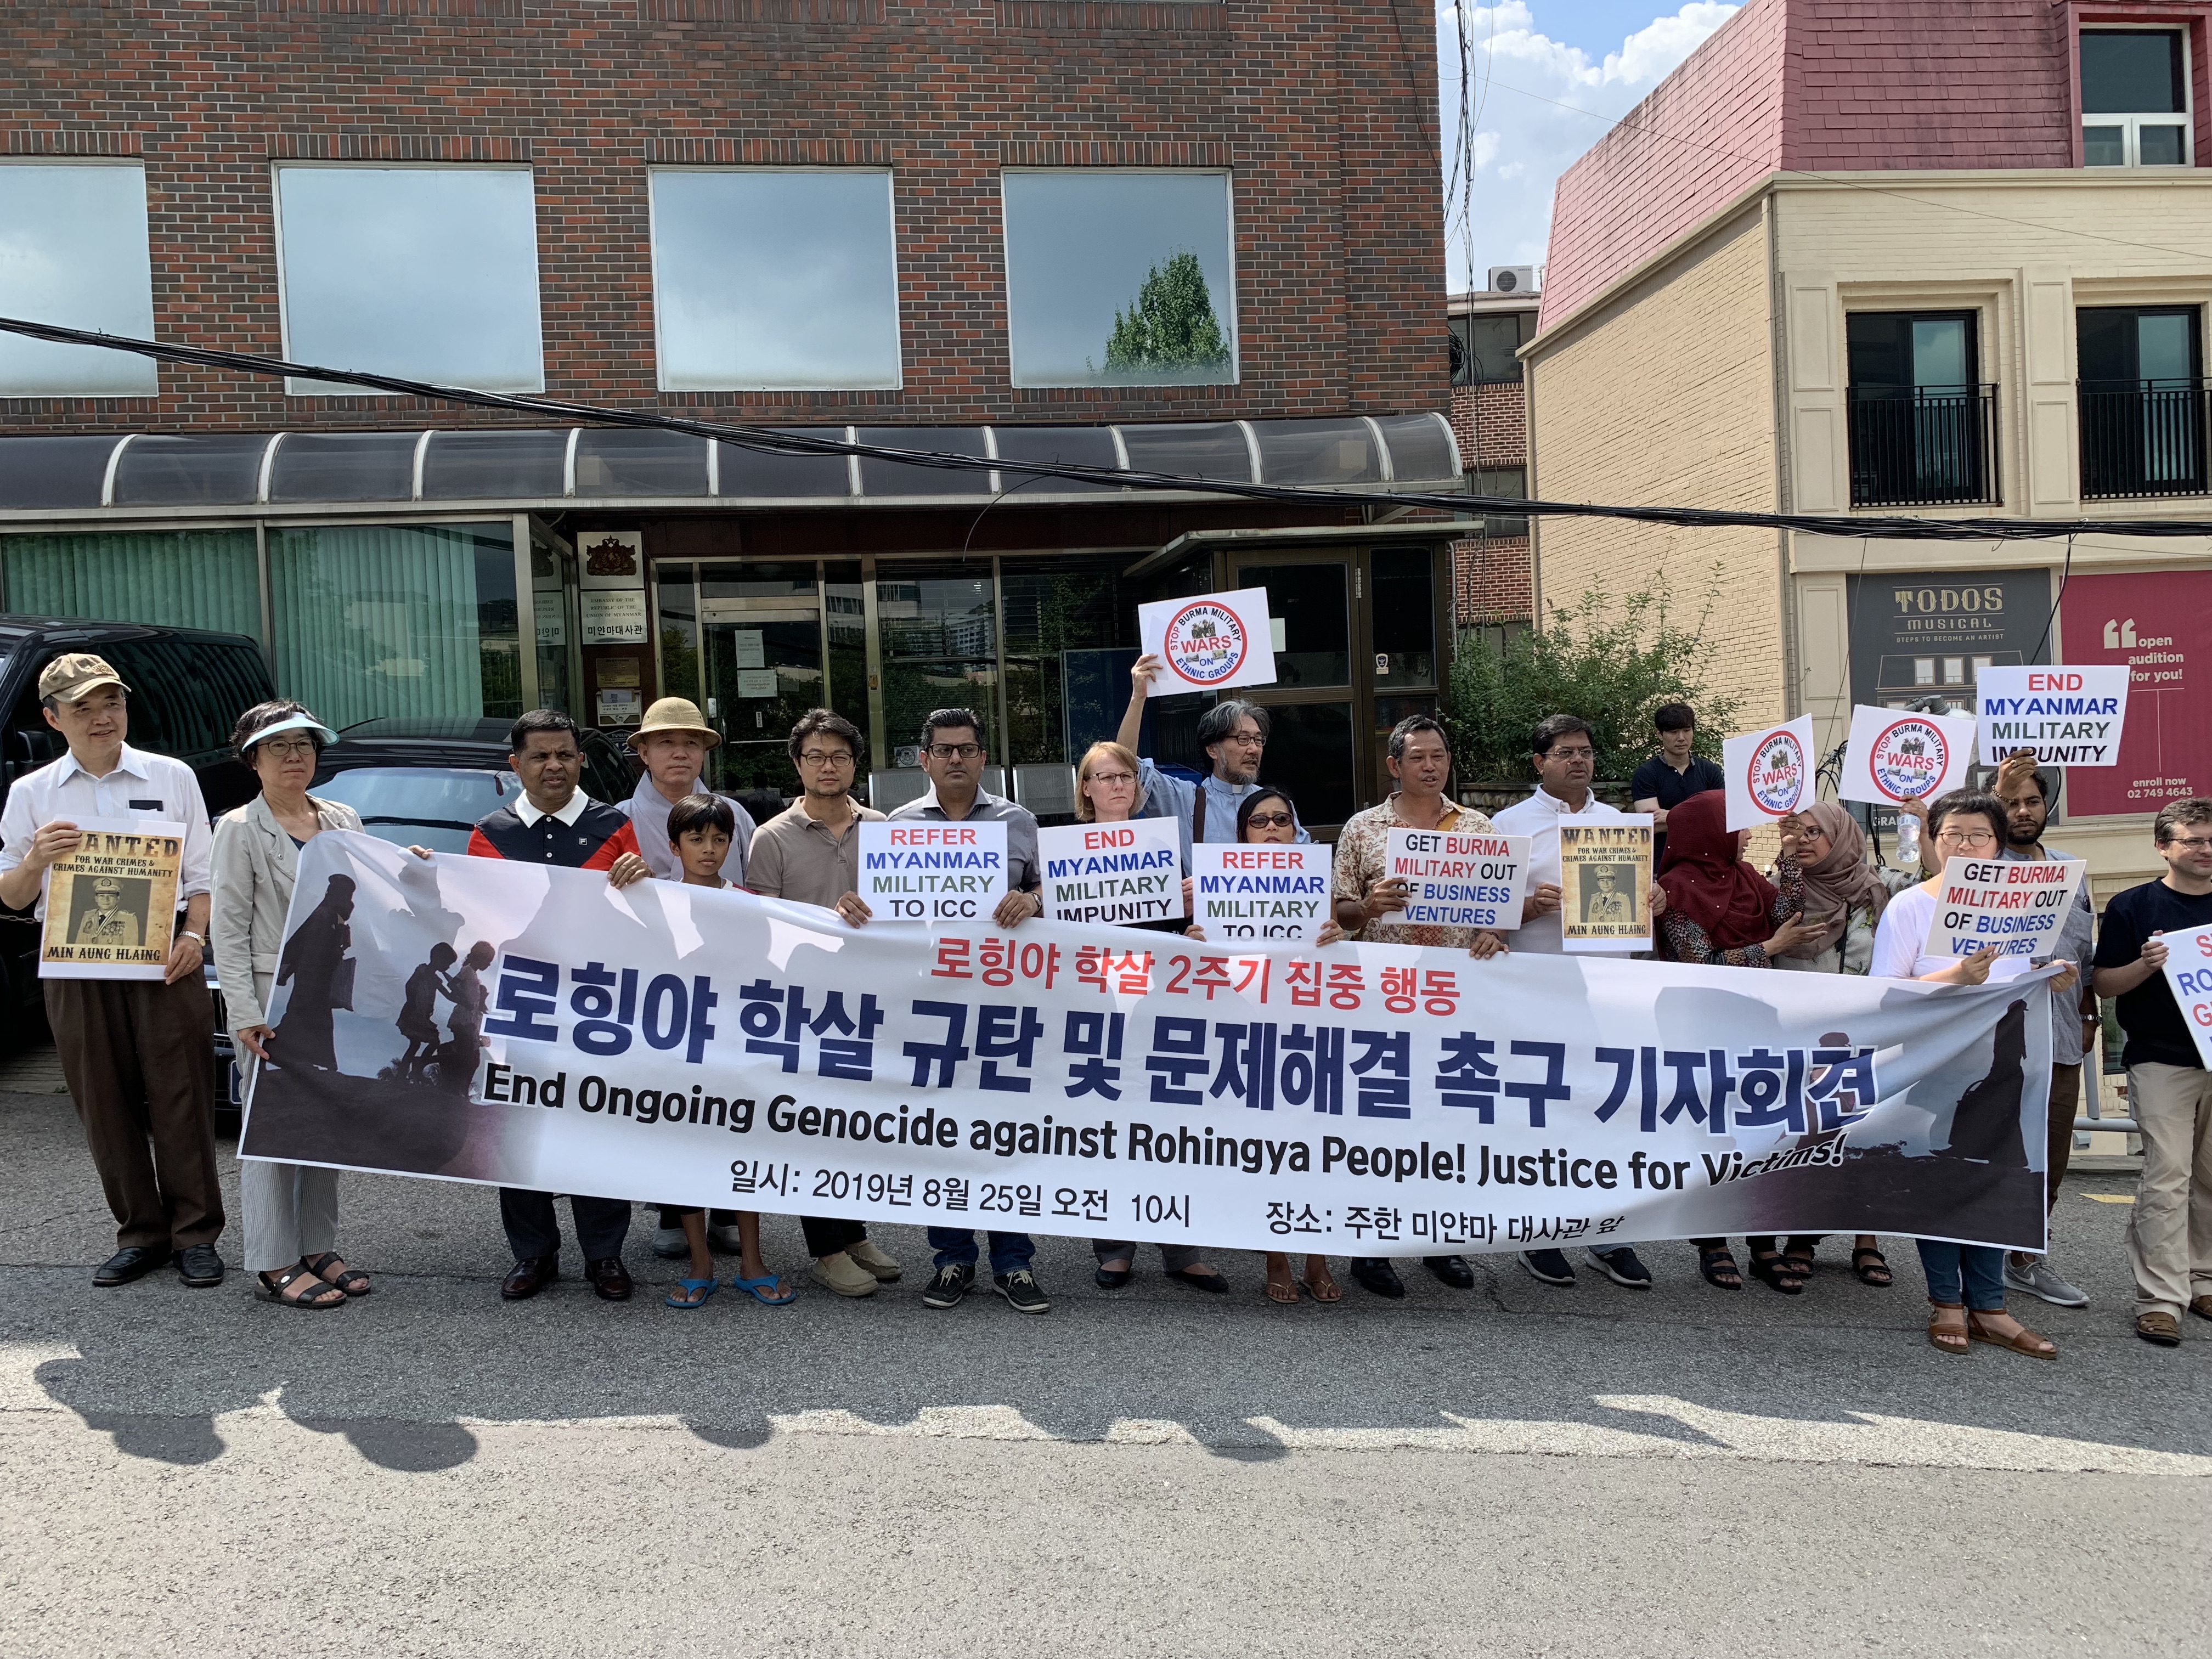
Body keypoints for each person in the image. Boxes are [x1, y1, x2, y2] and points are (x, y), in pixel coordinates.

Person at [0, 653, 223, 1290]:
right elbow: (13, 897)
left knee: (181, 1094)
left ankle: (196, 1235)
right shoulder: (32, 793)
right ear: (53, 718)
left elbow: (202, 877)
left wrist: (194, 936)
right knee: (103, 1099)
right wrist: (36, 860)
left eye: (113, 704)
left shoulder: (171, 775)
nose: (103, 719)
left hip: (165, 959)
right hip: (74, 965)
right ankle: (141, 1234)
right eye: (84, 709)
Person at [1329, 715, 1561, 1297]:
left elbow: (1499, 912)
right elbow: (1335, 914)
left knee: (1447, 1122)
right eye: (1418, 758)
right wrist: (1367, 905)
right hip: (1385, 1001)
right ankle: (1373, 1246)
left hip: (1460, 1002)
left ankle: (1440, 1238)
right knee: (1381, 1125)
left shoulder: (1479, 828)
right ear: (1394, 766)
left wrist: (1499, 934)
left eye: (1439, 757)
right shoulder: (1363, 829)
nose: (1431, 767)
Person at [438, 709, 653, 1303]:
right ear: (516, 765)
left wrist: (642, 880)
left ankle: (604, 1256)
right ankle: (534, 1254)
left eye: (565, 754)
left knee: (594, 1125)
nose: (554, 765)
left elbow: (640, 920)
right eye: (540, 756)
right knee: (519, 1125)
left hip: (595, 1009)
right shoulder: (491, 833)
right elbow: (481, 921)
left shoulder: (613, 825)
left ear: (581, 760)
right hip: (521, 1008)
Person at [1870, 789, 2076, 1361]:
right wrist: (1957, 977)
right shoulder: (1909, 907)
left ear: (1999, 843)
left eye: (1978, 835)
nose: (1965, 845)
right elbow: (1882, 999)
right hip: (1935, 1068)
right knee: (1941, 1179)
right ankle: (1946, 1303)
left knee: (1999, 1176)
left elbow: (2023, 978)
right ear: (1934, 842)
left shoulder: (2024, 905)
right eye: (1952, 834)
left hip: (2008, 1067)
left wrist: (2050, 974)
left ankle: (1991, 1307)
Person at [870, 709, 1051, 1314]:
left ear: (982, 759)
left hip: (1005, 1003)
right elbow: (884, 920)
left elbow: (1057, 895)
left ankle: (1014, 1263)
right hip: (932, 1005)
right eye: (943, 750)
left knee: (1005, 1135)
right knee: (942, 1136)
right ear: (923, 759)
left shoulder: (1018, 821)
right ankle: (952, 1259)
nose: (955, 760)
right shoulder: (898, 827)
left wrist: (1030, 899)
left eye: (967, 750)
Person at [1491, 714, 1667, 1289]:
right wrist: (1527, 907)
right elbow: (1482, 919)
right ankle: (1539, 1235)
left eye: (1586, 752)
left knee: (1606, 1112)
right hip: (1536, 996)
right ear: (1538, 762)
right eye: (1565, 752)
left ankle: (1608, 1237)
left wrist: (1654, 898)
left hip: (1607, 994)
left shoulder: (1618, 825)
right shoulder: (1507, 827)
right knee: (1543, 1117)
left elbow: (1640, 906)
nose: (1579, 761)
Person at [211, 700, 368, 1309]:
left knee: (323, 1123)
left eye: (303, 745)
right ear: (253, 759)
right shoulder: (239, 828)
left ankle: (316, 1245)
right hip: (271, 1001)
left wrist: (416, 868)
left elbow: (375, 893)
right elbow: (227, 928)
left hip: (327, 998)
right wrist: (244, 1012)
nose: (294, 756)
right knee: (272, 1130)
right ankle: (273, 1259)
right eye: (278, 747)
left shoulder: (342, 818)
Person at [743, 709, 903, 1300]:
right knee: (816, 1124)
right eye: (816, 756)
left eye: (839, 756)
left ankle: (854, 1233)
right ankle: (827, 1250)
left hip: (875, 999)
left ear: (855, 764)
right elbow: (762, 929)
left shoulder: (885, 829)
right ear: (798, 764)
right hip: (804, 1003)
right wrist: (823, 922)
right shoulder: (771, 837)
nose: (828, 766)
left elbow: (913, 915)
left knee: (856, 1126)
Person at [1070, 737, 1235, 1299]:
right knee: (1106, 1129)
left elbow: (1204, 917)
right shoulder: (1066, 854)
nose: (1118, 785)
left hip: (1163, 1000)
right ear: (1086, 790)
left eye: (1125, 777)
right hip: (1097, 1004)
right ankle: (1114, 1249)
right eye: (1105, 777)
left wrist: (1195, 911)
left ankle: (1182, 1251)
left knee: (1171, 1126)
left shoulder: (1166, 843)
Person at [1656, 791, 1834, 1294]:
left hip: (1759, 1024)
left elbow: (1788, 915)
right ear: (1709, 833)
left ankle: (1763, 1246)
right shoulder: (1674, 888)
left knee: (1762, 1133)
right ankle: (1712, 1243)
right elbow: (1698, 962)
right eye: (1738, 826)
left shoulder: (1745, 879)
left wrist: (1790, 855)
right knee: (1712, 1136)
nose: (1749, 834)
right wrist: (1768, 951)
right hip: (1702, 1028)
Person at [622, 697, 759, 1264]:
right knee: (668, 1103)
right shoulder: (619, 819)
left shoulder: (738, 816)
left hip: (730, 981)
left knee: (731, 1098)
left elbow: (756, 894)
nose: (680, 752)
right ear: (645, 753)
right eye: (665, 743)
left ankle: (728, 1212)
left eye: (692, 743)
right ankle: (671, 1213)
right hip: (658, 988)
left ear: (704, 750)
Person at [1765, 799, 1921, 1290]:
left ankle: (1866, 1240)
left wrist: (1917, 823)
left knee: (1866, 1137)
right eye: (1800, 831)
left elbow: (1935, 889)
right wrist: (1786, 855)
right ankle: (1800, 1238)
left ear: (1841, 835)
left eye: (1817, 832)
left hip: (1866, 1038)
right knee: (1803, 1139)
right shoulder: (1780, 885)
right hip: (1800, 1038)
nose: (1807, 840)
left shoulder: (1879, 887)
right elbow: (1764, 929)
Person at [658, 793, 794, 1309]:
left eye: (719, 839)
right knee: (686, 1160)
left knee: (743, 1155)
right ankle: (700, 1264)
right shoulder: (652, 900)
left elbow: (766, 973)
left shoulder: (748, 902)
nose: (708, 849)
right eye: (696, 839)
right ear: (675, 846)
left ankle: (753, 1263)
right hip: (675, 1053)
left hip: (735, 1051)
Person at [2090, 797, 2212, 1348]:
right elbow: (2104, 985)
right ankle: (2161, 1300)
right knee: (2168, 1174)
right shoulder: (2132, 906)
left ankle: (2203, 1281)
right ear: (2163, 847)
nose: (2206, 850)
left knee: (2210, 1177)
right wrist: (2146, 964)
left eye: (2211, 840)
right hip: (2163, 1058)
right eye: (2193, 840)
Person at [1990, 752, 2099, 1310]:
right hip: (1997, 1045)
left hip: (2059, 1043)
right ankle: (1978, 1268)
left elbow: (2086, 956)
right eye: (2011, 803)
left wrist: (2089, 1017)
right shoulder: (1978, 866)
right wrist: (1995, 789)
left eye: (2031, 801)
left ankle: (2026, 1261)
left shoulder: (2073, 874)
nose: (2023, 811)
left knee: (2049, 1160)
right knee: (1991, 1152)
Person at [1115, 654, 1312, 863]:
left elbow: (1307, 869)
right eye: (1243, 739)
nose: (1254, 749)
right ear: (1213, 750)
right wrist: (1138, 698)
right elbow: (1123, 766)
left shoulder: (1276, 807)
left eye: (1258, 740)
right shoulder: (1184, 800)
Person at [1632, 702, 1725, 870]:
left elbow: (1721, 820)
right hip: (1662, 866)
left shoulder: (1710, 771)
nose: (1681, 738)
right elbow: (1651, 825)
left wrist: (1671, 816)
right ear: (1659, 734)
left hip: (1708, 863)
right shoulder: (1646, 774)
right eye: (1673, 732)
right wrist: (1702, 819)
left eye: (1687, 730)